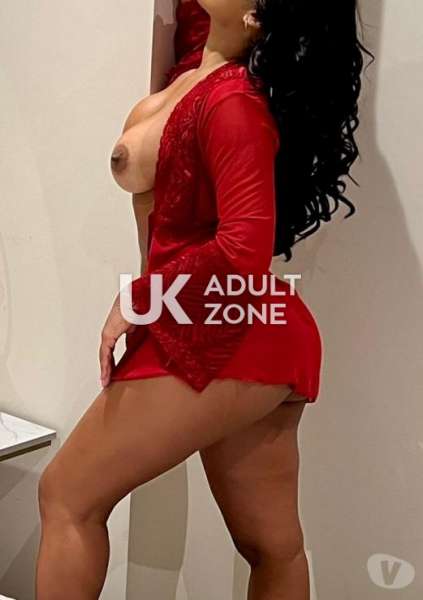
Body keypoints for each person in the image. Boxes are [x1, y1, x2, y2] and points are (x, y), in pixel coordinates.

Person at [35, 1, 369, 598]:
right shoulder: (199, 71)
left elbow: (244, 247)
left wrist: (141, 297)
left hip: (222, 329)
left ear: (256, 17)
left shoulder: (233, 100)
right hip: (235, 326)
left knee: (66, 496)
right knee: (272, 546)